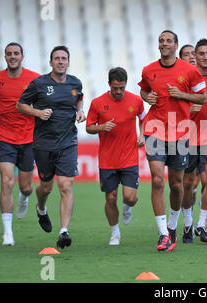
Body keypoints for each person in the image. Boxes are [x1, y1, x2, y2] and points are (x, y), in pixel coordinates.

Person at [138, 30, 206, 252]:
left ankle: (172, 225)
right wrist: (146, 97)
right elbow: (144, 91)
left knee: (176, 185)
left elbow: (202, 97)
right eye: (161, 40)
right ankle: (163, 234)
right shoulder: (149, 70)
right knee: (157, 181)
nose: (164, 43)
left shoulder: (189, 70)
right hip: (154, 129)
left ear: (176, 45)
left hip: (179, 132)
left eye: (168, 41)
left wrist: (182, 95)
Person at [16, 45, 86, 249]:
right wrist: (38, 113)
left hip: (68, 143)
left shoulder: (75, 83)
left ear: (68, 62)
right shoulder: (38, 84)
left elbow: (79, 99)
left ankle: (64, 231)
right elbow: (20, 105)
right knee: (46, 187)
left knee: (66, 185)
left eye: (64, 58)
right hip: (44, 144)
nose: (61, 61)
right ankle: (41, 208)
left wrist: (81, 111)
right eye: (57, 58)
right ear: (51, 62)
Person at [0, 42, 40, 246]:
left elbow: (42, 102)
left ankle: (24, 198)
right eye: (9, 54)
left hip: (28, 138)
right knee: (6, 182)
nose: (12, 57)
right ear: (5, 57)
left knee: (26, 187)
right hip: (4, 137)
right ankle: (7, 232)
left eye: (16, 53)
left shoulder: (34, 79)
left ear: (22, 57)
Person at [86, 67, 145, 245]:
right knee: (110, 197)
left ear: (126, 85)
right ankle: (115, 233)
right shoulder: (97, 103)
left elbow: (143, 118)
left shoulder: (135, 100)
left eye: (122, 88)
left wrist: (142, 135)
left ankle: (127, 207)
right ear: (109, 84)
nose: (119, 91)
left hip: (129, 157)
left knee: (130, 197)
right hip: (107, 159)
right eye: (115, 88)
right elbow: (89, 127)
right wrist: (101, 127)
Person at [181, 39, 207, 243]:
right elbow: (177, 109)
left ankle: (201, 224)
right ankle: (188, 223)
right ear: (195, 56)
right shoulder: (186, 78)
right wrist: (190, 110)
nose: (205, 57)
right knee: (187, 182)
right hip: (188, 134)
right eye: (201, 53)